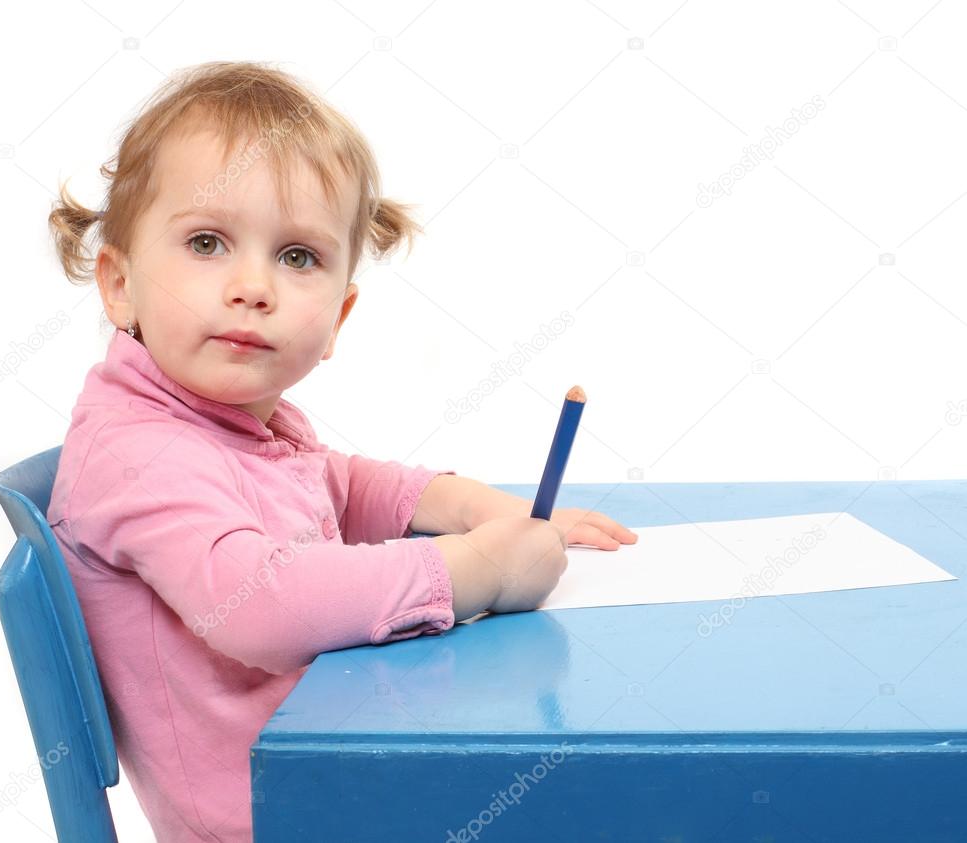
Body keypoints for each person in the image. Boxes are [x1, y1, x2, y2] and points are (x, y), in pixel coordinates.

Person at [45, 60, 636, 842]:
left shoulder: (231, 424)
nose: (253, 285)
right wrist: (477, 569)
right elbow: (259, 602)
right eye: (207, 241)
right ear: (119, 284)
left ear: (338, 317)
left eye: (298, 257)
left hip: (333, 761)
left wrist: (469, 506)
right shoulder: (136, 449)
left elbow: (336, 484)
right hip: (279, 812)